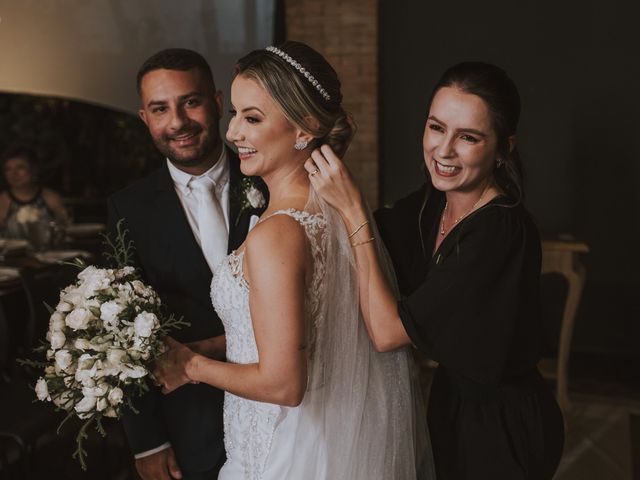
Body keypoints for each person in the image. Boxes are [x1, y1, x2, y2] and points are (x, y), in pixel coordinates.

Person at [154, 41, 431, 479]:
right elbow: (301, 333)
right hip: (315, 445)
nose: (233, 134)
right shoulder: (328, 213)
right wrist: (205, 347)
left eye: (252, 118)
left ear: (304, 129)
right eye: (235, 116)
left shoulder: (278, 233)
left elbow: (284, 383)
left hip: (281, 456)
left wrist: (190, 367)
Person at [307, 62, 565, 479]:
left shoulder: (501, 230)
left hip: (504, 424)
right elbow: (365, 245)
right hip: (451, 404)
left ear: (503, 148)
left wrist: (351, 206)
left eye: (468, 137)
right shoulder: (434, 201)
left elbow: (388, 332)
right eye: (436, 127)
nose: (444, 150)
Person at [107, 48, 267, 480]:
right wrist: (148, 441)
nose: (177, 122)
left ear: (217, 103)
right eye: (161, 109)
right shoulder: (128, 210)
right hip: (189, 422)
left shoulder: (270, 179)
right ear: (145, 118)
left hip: (281, 408)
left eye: (190, 102)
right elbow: (120, 334)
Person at [0, 145, 69, 238]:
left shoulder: (50, 197)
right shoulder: (2, 201)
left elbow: (65, 230)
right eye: (8, 169)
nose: (13, 174)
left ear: (34, 169)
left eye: (20, 167)